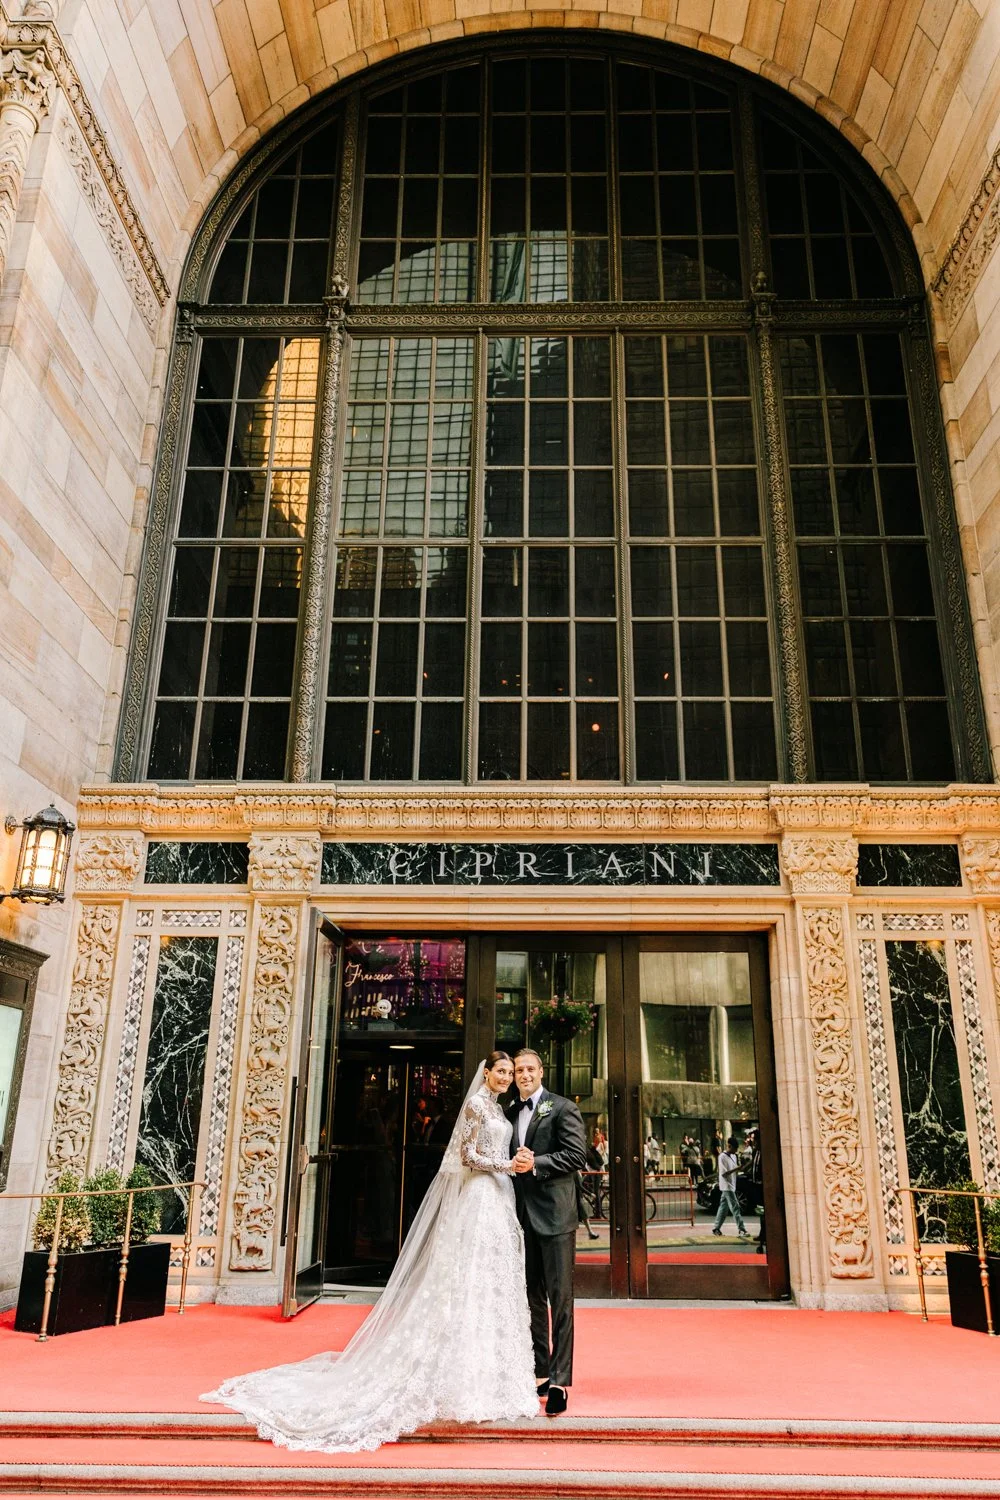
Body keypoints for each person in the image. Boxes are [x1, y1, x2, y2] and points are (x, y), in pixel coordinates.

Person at [201, 1052, 539, 1451]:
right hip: (480, 1197)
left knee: (491, 1286)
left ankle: (490, 1376)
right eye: (500, 1071)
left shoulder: (498, 1109)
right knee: (467, 1281)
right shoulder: (477, 1106)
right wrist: (505, 1166)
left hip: (496, 1199)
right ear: (486, 1073)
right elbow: (466, 1156)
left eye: (509, 1072)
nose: (505, 1077)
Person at [508, 1047, 587, 1417]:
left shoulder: (561, 1107)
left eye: (529, 1068)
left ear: (541, 1072)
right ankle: (539, 1370)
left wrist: (534, 1163)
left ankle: (559, 1381)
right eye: (519, 1069)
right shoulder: (510, 1113)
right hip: (523, 1217)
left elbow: (575, 1155)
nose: (524, 1074)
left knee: (561, 1300)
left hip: (556, 1218)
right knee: (532, 1299)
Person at [712, 1135, 750, 1240]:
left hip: (731, 1184)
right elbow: (724, 1173)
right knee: (735, 1207)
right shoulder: (722, 1157)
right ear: (729, 1146)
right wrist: (737, 1168)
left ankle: (716, 1228)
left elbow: (734, 1170)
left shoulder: (733, 1156)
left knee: (723, 1208)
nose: (735, 1151)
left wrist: (741, 1167)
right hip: (726, 1185)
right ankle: (742, 1229)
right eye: (734, 1148)